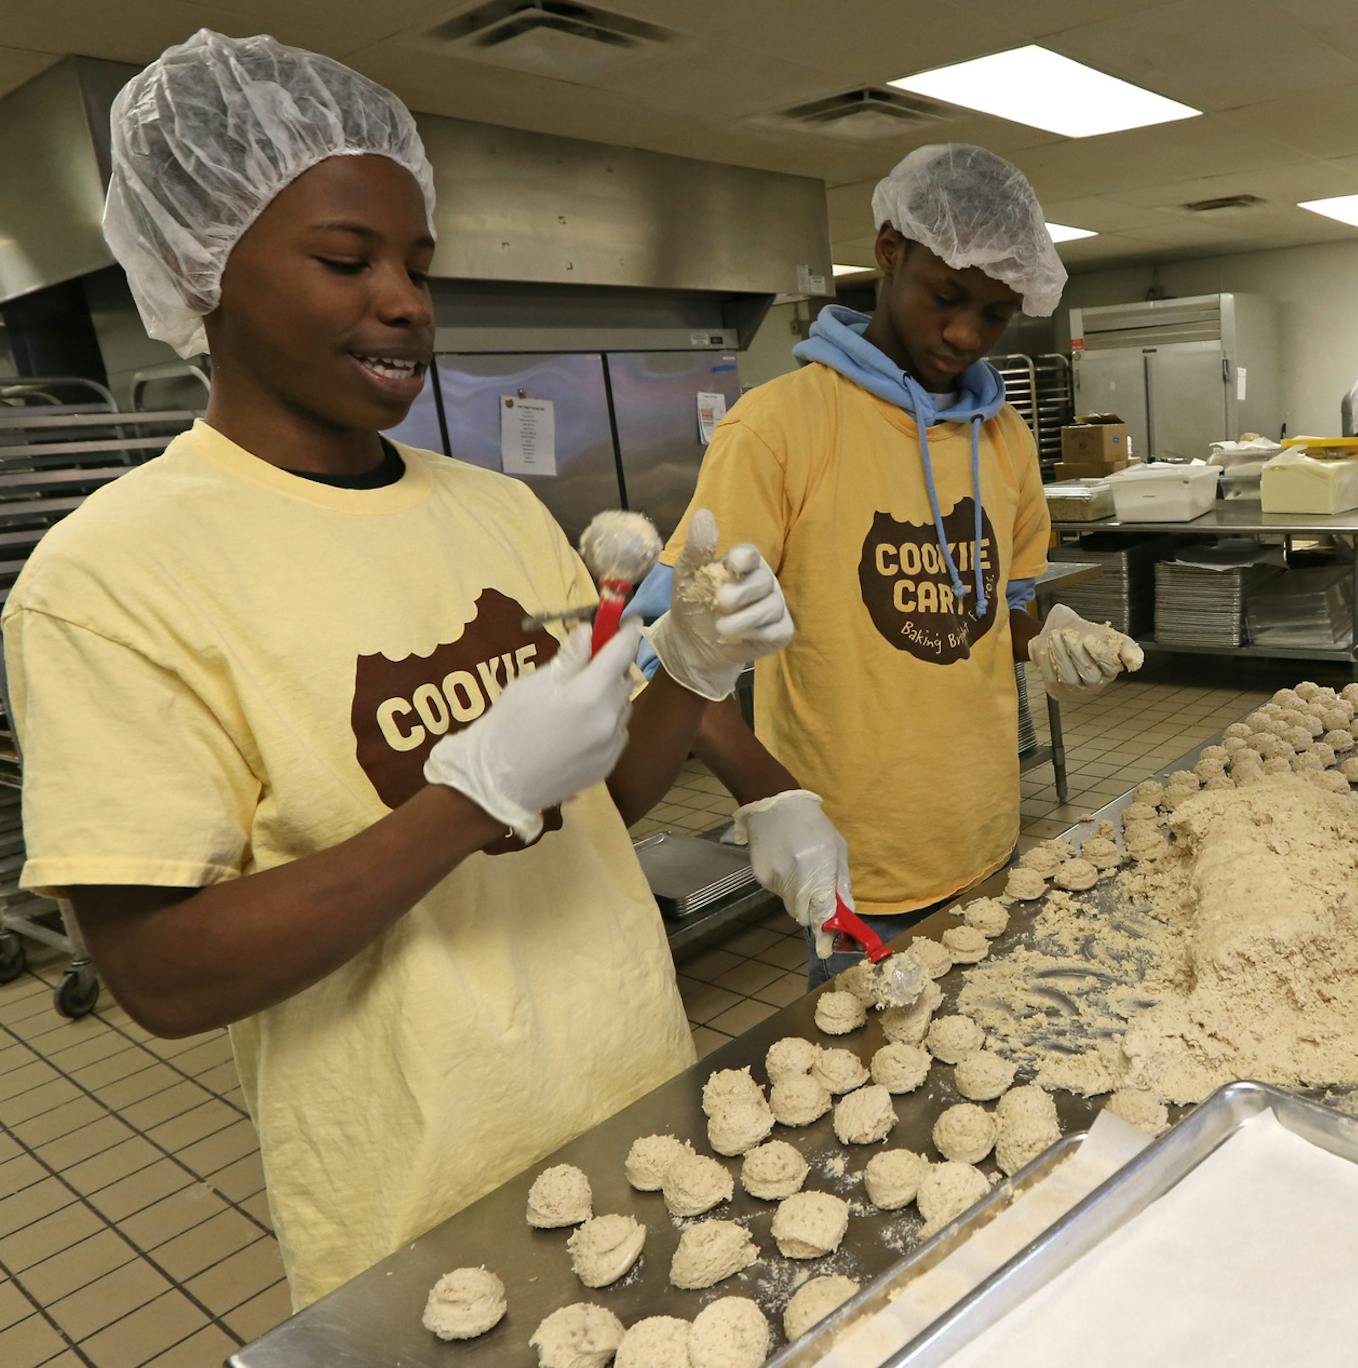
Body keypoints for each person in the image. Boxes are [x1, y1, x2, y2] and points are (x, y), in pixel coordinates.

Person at [1, 31, 793, 1307]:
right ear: (203, 274)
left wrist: (692, 673)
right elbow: (162, 975)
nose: (406, 301)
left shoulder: (493, 509)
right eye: (344, 259)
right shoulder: (112, 583)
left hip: (640, 1105)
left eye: (417, 265)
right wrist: (462, 802)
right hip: (425, 1198)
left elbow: (586, 824)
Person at [630, 144, 1134, 984]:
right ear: (890, 251)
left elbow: (997, 608)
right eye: (947, 297)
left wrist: (1048, 637)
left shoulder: (1003, 437)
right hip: (855, 857)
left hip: (989, 832)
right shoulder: (780, 428)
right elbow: (668, 650)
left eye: (997, 313)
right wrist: (771, 798)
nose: (967, 334)